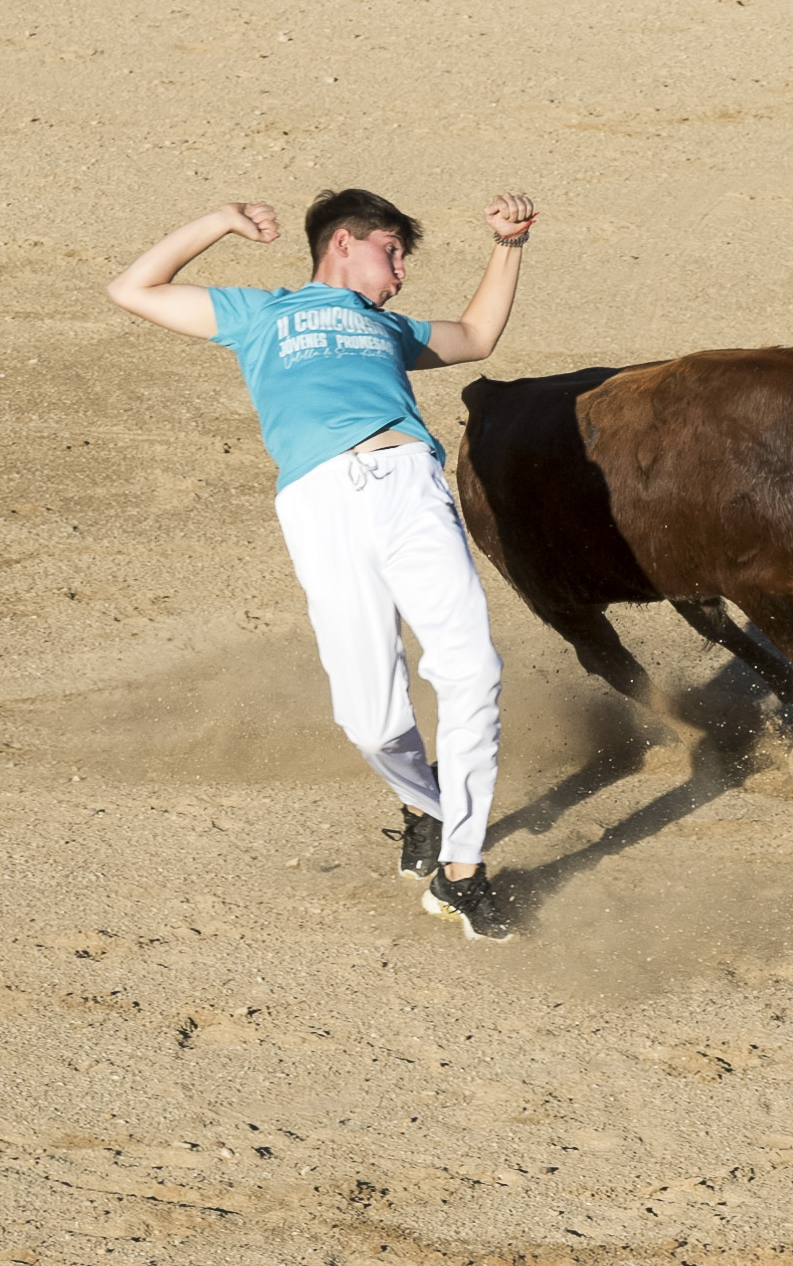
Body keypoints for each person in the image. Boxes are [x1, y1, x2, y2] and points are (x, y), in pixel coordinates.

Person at [105, 188, 537, 942]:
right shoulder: (259, 313)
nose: (399, 274)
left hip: (411, 488)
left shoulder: (387, 327)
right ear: (344, 241)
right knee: (370, 722)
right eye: (393, 252)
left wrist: (509, 245)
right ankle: (425, 807)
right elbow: (130, 290)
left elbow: (474, 334)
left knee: (471, 670)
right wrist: (217, 223)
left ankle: (462, 870)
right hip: (321, 502)